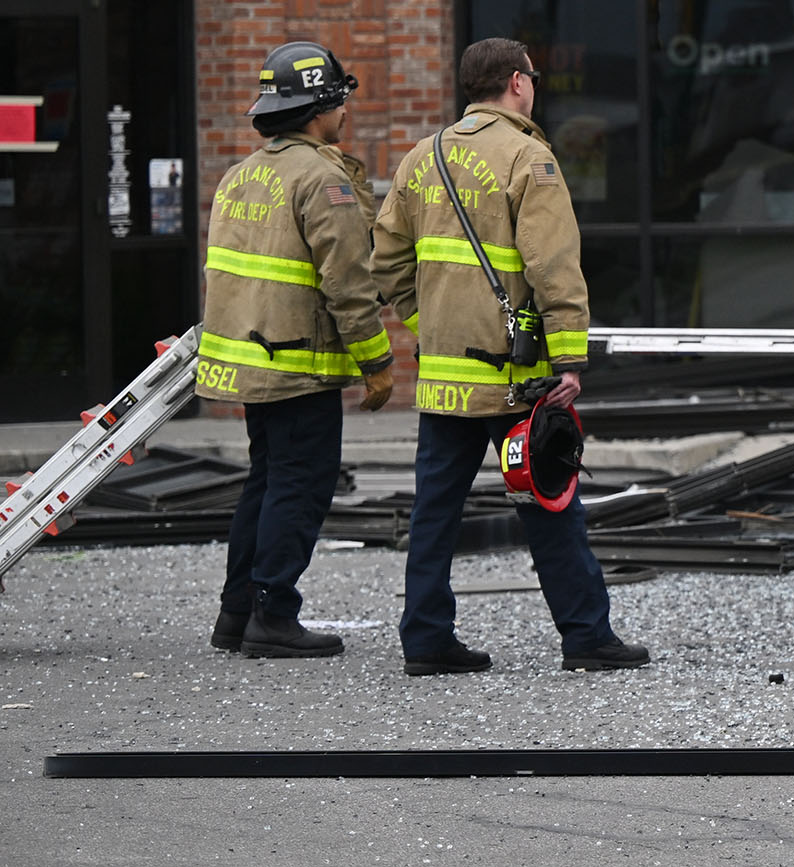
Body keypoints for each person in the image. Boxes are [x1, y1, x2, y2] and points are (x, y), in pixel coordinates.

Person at [372, 37, 647, 675]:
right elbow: (554, 267)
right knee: (548, 500)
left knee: (434, 512)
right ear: (516, 84)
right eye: (534, 75)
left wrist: (427, 322)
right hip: (516, 378)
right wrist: (569, 357)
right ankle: (585, 636)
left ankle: (426, 642)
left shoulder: (422, 157)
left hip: (443, 377)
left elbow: (386, 262)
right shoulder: (529, 157)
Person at [198, 40, 394, 660]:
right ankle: (274, 615)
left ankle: (236, 614)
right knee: (301, 486)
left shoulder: (241, 174)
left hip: (253, 364)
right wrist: (377, 362)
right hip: (299, 365)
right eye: (340, 103)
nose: (345, 115)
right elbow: (348, 281)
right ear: (321, 108)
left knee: (265, 481)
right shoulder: (321, 177)